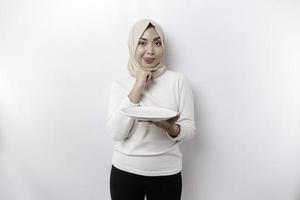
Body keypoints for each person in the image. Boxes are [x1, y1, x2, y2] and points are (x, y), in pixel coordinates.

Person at [106, 19, 196, 200]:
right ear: (132, 45)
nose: (150, 51)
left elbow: (190, 129)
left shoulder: (178, 81)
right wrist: (138, 86)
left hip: (166, 173)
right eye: (142, 42)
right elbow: (116, 133)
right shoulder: (120, 85)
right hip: (125, 172)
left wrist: (171, 128)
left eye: (157, 43)